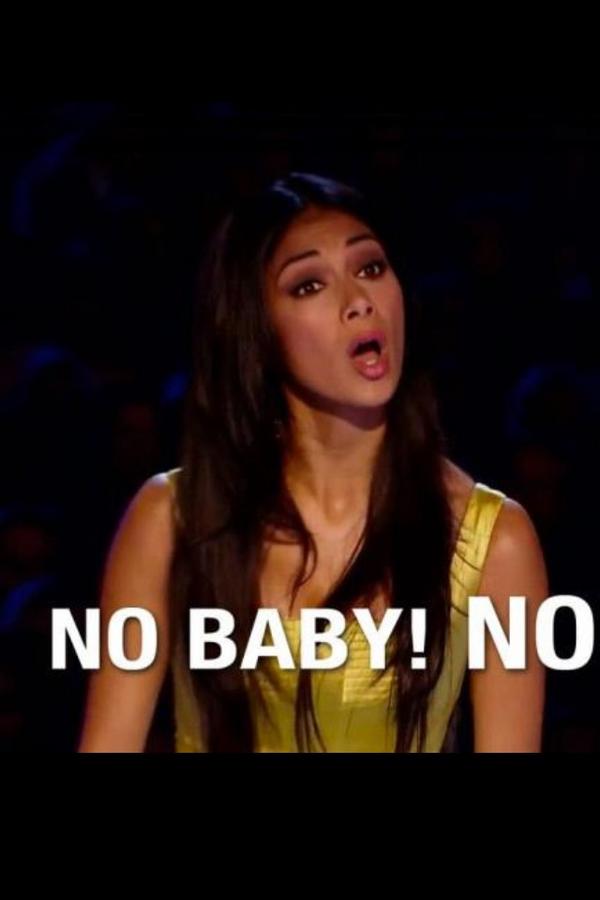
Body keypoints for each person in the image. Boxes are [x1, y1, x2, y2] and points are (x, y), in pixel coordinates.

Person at [78, 172, 547, 753]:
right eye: (309, 285)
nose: (359, 302)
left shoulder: (493, 543)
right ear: (257, 329)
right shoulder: (170, 522)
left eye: (370, 267)